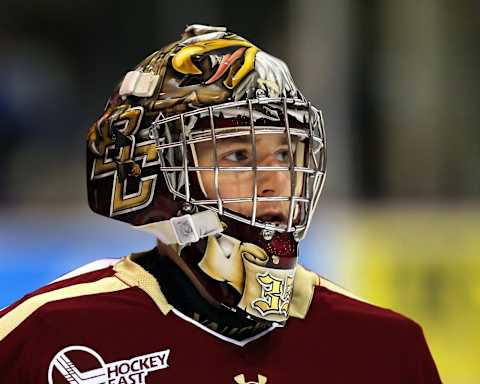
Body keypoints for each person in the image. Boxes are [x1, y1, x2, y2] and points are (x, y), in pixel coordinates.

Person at [0, 24, 441, 383]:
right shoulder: (42, 339)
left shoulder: (387, 349)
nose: (275, 180)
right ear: (153, 171)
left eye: (286, 154)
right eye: (238, 155)